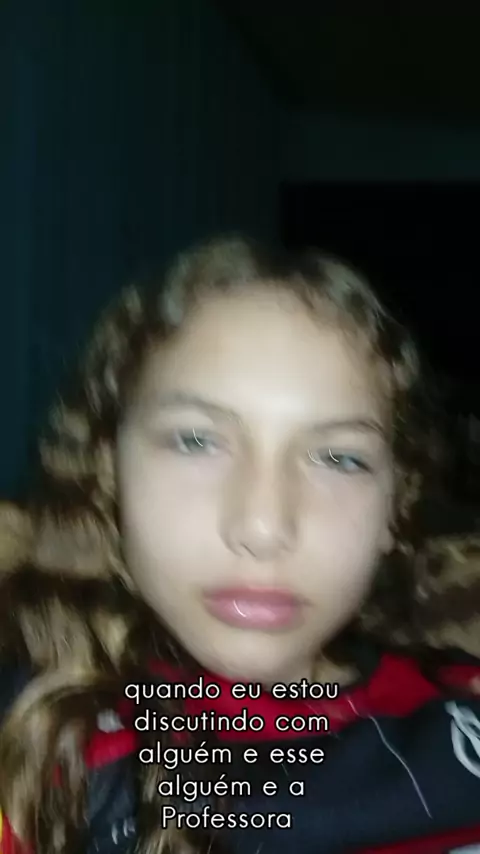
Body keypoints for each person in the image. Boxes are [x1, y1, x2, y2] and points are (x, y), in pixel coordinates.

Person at [0, 236, 479, 854]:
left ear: (396, 505)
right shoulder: (35, 740)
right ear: (108, 474)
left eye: (339, 457)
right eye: (196, 441)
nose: (262, 527)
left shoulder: (454, 717)